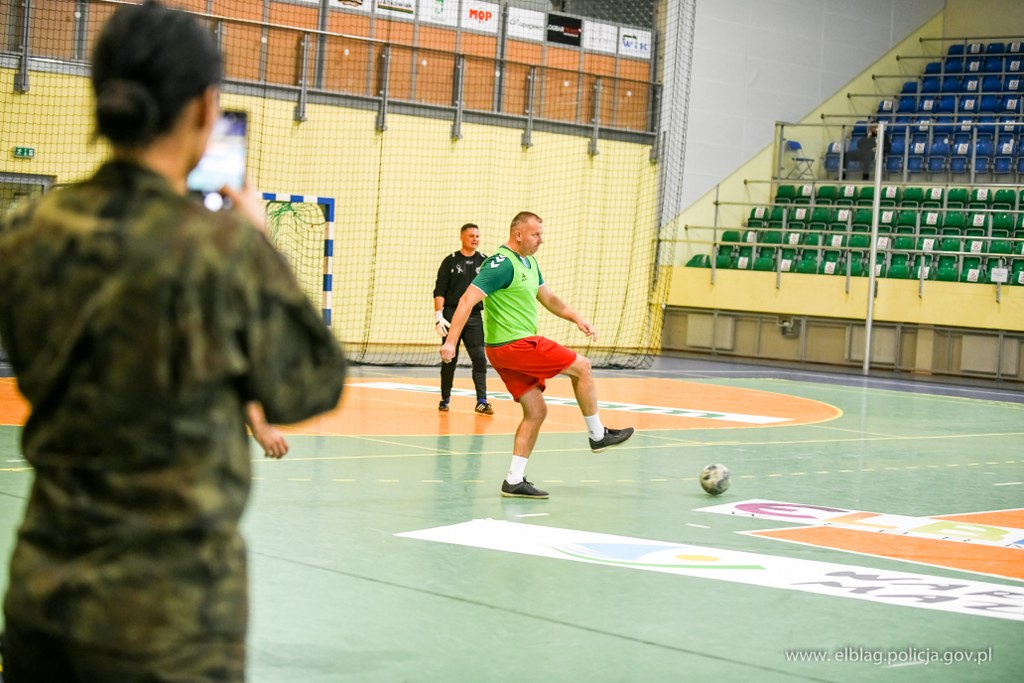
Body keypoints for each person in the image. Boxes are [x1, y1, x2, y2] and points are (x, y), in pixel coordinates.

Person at [0, 2, 346, 680]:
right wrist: (262, 242)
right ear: (204, 107)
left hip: (44, 601)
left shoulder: (25, 233)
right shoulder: (222, 250)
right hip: (173, 622)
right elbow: (311, 381)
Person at [440, 211, 634, 499]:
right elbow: (467, 300)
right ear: (518, 235)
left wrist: (577, 318)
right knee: (582, 367)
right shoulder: (501, 264)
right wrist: (451, 342)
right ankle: (598, 435)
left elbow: (549, 298)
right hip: (514, 344)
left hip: (507, 349)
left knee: (537, 411)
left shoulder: (529, 263)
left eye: (541, 234)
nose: (541, 240)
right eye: (536, 234)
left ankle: (514, 480)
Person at [433, 223, 492, 415]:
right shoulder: (450, 261)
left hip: (474, 316)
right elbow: (440, 290)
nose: (475, 239)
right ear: (462, 237)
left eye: (477, 236)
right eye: (471, 236)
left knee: (480, 358)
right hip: (451, 314)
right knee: (449, 358)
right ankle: (445, 398)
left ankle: (482, 401)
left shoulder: (485, 261)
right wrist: (438, 315)